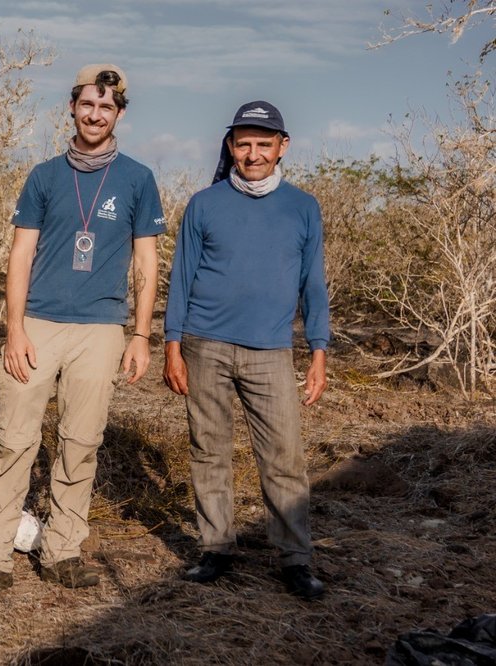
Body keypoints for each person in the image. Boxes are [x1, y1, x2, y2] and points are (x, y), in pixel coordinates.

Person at [0, 65, 165, 597]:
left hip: (101, 328)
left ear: (120, 113)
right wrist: (14, 330)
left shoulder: (138, 179)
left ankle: (62, 551)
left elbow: (147, 261)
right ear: (72, 107)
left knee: (81, 442)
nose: (96, 115)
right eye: (87, 104)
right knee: (13, 441)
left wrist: (140, 336)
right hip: (38, 325)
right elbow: (21, 254)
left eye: (107, 106)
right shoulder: (44, 175)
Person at [163, 101, 330, 600]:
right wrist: (171, 345)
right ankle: (216, 548)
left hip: (271, 349)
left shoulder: (303, 207)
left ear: (283, 146)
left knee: (284, 456)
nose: (253, 154)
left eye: (263, 143)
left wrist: (318, 350)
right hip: (203, 343)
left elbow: (313, 284)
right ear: (230, 146)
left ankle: (295, 558)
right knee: (208, 449)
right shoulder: (204, 203)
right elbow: (182, 278)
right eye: (244, 143)